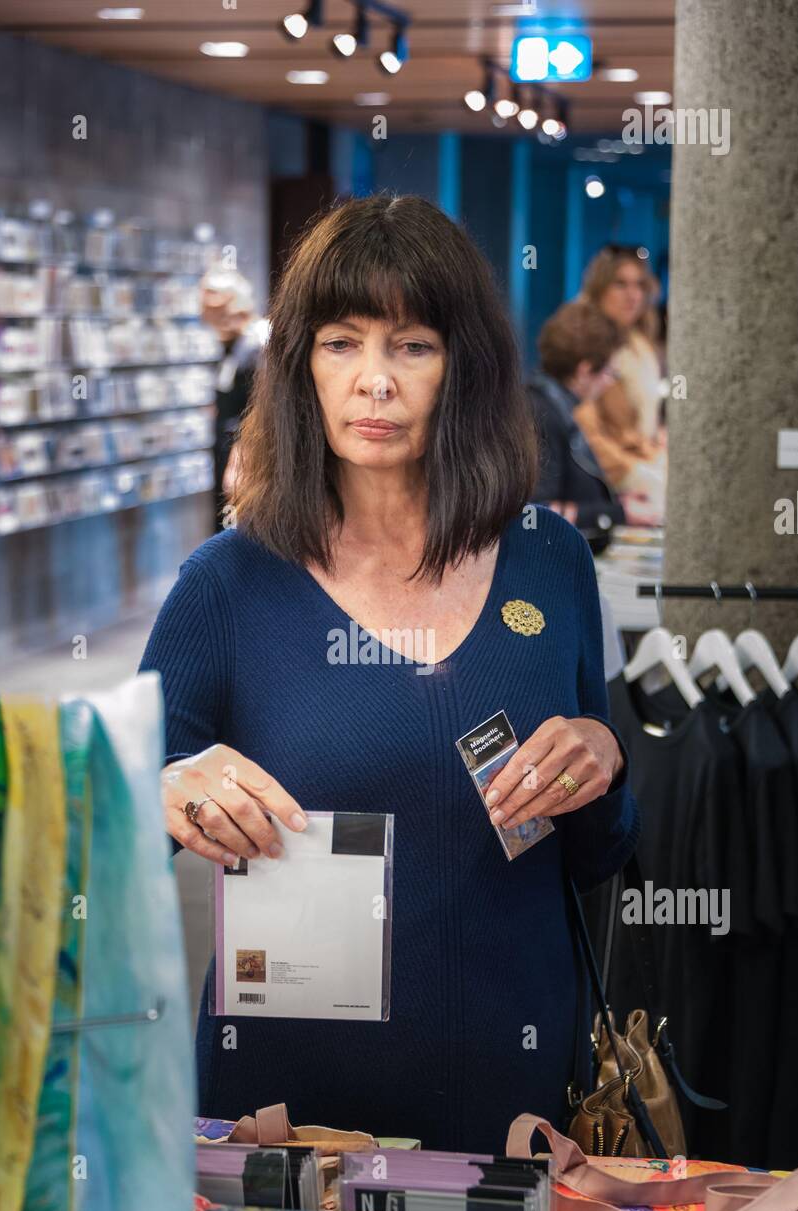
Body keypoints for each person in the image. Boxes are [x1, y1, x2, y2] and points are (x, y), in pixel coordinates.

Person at [140, 194, 639, 1153]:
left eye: (411, 346)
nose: (374, 382)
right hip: (289, 1121)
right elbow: (106, 830)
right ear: (302, 366)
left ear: (464, 367)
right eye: (341, 343)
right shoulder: (228, 584)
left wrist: (603, 758)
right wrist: (162, 784)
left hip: (512, 1097)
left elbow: (596, 856)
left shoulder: (547, 560)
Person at [527, 301, 626, 553]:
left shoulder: (551, 404)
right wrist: (619, 513)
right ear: (584, 370)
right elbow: (536, 513)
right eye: (608, 373)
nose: (608, 384)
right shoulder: (542, 412)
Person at [576, 244, 666, 514]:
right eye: (621, 285)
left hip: (646, 466)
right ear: (600, 289)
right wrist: (637, 472)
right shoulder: (585, 343)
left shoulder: (640, 344)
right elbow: (584, 431)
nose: (633, 295)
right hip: (610, 486)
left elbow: (646, 420)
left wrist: (658, 444)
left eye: (639, 285)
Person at [198, 268, 267, 530]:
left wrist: (242, 456)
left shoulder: (259, 341)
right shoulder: (231, 343)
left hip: (247, 452)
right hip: (226, 446)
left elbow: (264, 408)